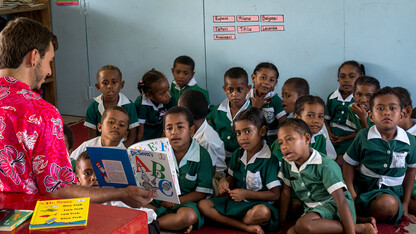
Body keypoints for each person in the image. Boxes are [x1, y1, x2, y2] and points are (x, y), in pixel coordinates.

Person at [0, 17, 154, 207]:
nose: (49, 71)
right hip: (26, 217)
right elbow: (58, 189)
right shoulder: (41, 113)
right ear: (33, 57)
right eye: (49, 61)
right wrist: (121, 193)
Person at [278, 118, 376, 234]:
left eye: (290, 139)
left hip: (335, 206)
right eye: (281, 142)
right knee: (291, 232)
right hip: (312, 210)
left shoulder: (325, 165)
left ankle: (360, 229)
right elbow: (286, 192)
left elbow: (341, 201)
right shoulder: (287, 163)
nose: (284, 146)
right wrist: (281, 223)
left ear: (306, 138)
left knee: (305, 225)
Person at [199, 107, 280, 234]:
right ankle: (245, 226)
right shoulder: (238, 154)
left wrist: (246, 194)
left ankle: (232, 220)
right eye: (238, 133)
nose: (242, 137)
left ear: (262, 131)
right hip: (237, 202)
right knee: (203, 205)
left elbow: (275, 194)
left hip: (258, 205)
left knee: (262, 212)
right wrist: (225, 181)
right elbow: (232, 178)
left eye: (248, 131)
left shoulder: (269, 160)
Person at [343, 87, 416, 224]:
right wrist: (351, 193)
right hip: (364, 188)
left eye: (393, 108)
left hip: (392, 192)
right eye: (380, 109)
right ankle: (360, 214)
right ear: (371, 116)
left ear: (402, 114)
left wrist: (405, 203)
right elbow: (349, 164)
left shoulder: (410, 141)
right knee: (336, 197)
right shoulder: (363, 136)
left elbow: (411, 170)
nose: (387, 112)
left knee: (388, 204)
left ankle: (363, 213)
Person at [146, 106, 213, 233]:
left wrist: (174, 203)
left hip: (186, 203)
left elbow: (201, 192)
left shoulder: (202, 156)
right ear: (164, 133)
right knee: (133, 204)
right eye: (169, 128)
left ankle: (150, 226)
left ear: (191, 130)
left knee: (188, 216)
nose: (174, 132)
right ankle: (170, 224)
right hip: (159, 202)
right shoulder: (158, 152)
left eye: (180, 127)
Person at [75, 151, 160, 234]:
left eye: (99, 172)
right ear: (78, 179)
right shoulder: (76, 202)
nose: (94, 177)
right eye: (87, 173)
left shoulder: (116, 196)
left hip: (145, 225)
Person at [178, 89, 226, 196]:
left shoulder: (207, 140)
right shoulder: (192, 129)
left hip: (214, 177)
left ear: (187, 115)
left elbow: (210, 172)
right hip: (196, 168)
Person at [84, 65, 139, 147]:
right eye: (105, 83)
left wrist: (121, 150)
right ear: (98, 87)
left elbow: (132, 136)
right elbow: (92, 137)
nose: (109, 86)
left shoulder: (129, 106)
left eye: (114, 82)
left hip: (123, 146)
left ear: (121, 85)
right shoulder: (93, 107)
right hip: (100, 146)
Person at [325, 60, 364, 163]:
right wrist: (328, 133)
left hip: (350, 139)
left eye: (351, 76)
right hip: (332, 137)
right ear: (338, 79)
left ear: (359, 78)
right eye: (342, 76)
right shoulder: (332, 97)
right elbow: (326, 120)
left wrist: (344, 138)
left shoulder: (359, 101)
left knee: (344, 160)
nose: (346, 80)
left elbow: (361, 128)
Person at [208, 67, 251, 158]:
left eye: (239, 89)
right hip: (219, 158)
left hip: (244, 159)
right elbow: (210, 137)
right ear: (224, 89)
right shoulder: (216, 112)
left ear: (248, 89)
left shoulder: (253, 112)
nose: (234, 94)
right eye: (230, 90)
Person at [271, 95, 328, 162]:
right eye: (310, 115)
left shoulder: (320, 138)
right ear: (297, 117)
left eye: (320, 116)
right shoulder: (284, 140)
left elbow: (320, 162)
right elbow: (278, 166)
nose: (316, 121)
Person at [248, 62, 286, 145]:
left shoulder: (276, 100)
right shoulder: (247, 97)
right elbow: (245, 120)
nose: (267, 83)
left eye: (271, 80)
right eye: (263, 77)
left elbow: (283, 124)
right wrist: (256, 108)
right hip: (251, 136)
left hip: (272, 139)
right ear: (253, 78)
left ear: (275, 83)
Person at [392, 87, 416, 215]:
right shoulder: (387, 133)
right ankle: (402, 204)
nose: (387, 114)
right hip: (400, 181)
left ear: (406, 112)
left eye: (392, 109)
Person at [134, 69, 177, 142]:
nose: (168, 95)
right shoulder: (141, 105)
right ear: (149, 95)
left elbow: (174, 120)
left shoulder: (171, 99)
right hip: (146, 133)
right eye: (163, 93)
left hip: (163, 129)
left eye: (168, 89)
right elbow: (140, 132)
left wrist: (164, 139)